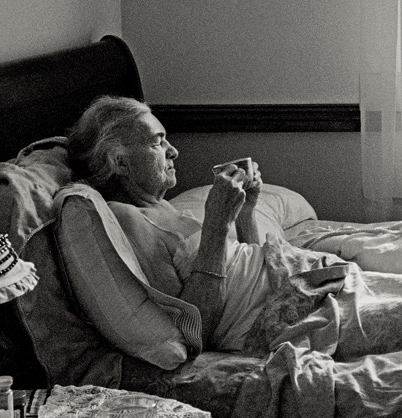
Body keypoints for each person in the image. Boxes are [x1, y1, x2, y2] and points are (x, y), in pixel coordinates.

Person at [65, 95, 276, 350]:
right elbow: (195, 329)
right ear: (120, 162)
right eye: (158, 142)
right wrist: (216, 224)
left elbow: (249, 263)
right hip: (269, 315)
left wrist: (245, 213)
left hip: (280, 283)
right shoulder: (127, 217)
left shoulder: (163, 206)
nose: (173, 151)